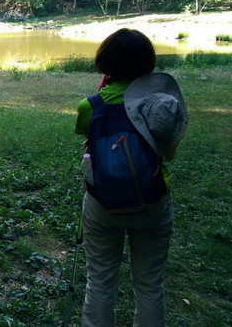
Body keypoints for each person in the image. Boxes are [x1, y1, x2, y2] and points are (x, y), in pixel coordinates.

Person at [75, 28, 187, 326]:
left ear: (105, 61)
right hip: (153, 200)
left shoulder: (89, 106)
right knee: (150, 285)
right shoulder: (162, 104)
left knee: (99, 282)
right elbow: (167, 149)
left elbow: (90, 140)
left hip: (103, 203)